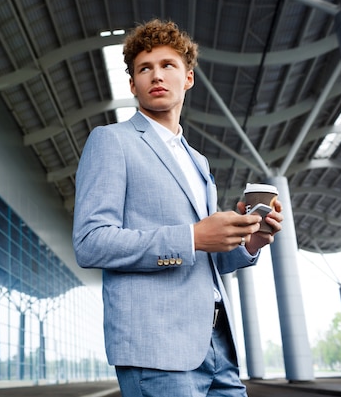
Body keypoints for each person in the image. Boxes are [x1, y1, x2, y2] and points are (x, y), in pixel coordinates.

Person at [72, 19, 283, 397]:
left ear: (188, 78)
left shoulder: (198, 162)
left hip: (217, 343)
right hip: (156, 348)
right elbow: (90, 243)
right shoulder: (110, 142)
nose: (156, 75)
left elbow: (204, 257)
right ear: (132, 83)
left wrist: (248, 242)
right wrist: (193, 236)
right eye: (144, 68)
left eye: (168, 65)